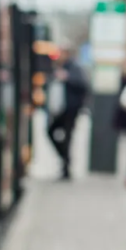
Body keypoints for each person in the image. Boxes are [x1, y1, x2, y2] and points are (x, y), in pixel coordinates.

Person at [46, 53, 89, 181]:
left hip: (71, 109)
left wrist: (67, 77)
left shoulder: (75, 68)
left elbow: (83, 85)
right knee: (51, 131)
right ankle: (65, 159)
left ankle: (66, 167)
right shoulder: (59, 68)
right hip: (60, 109)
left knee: (68, 137)